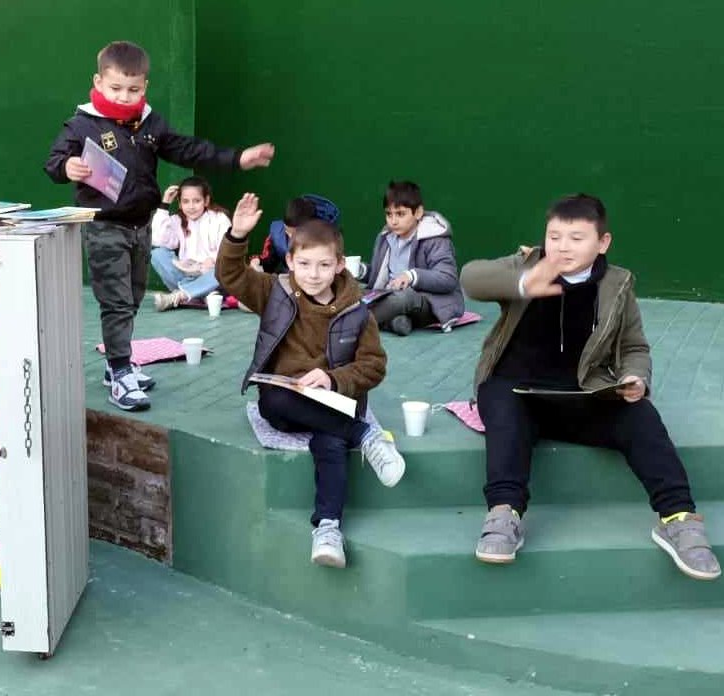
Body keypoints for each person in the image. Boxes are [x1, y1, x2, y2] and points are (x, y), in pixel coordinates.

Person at [461, 193, 719, 580]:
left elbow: (634, 347)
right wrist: (523, 282)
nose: (562, 246)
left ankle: (678, 517)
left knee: (641, 416)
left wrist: (636, 378)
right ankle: (504, 514)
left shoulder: (617, 285)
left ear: (603, 243)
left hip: (581, 396)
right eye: (555, 236)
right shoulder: (528, 265)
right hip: (518, 393)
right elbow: (470, 278)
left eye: (576, 238)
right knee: (501, 404)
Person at [44, 40, 275, 411]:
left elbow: (188, 149)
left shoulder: (149, 121)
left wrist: (237, 159)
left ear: (145, 87)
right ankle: (121, 372)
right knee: (116, 302)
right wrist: (66, 167)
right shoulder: (82, 123)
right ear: (98, 82)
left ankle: (115, 364)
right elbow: (54, 160)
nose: (124, 96)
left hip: (142, 226)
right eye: (116, 88)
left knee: (133, 298)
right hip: (104, 227)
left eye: (133, 89)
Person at [218, 193, 406, 568]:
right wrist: (236, 235)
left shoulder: (357, 311)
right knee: (273, 400)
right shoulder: (276, 291)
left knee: (330, 443)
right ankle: (365, 436)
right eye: (303, 263)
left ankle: (328, 528)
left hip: (333, 402)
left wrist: (333, 379)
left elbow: (374, 366)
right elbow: (231, 276)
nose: (313, 273)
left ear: (339, 265)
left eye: (323, 265)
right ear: (289, 261)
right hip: (286, 399)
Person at [359, 181, 463, 335]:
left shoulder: (434, 238)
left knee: (404, 298)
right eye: (389, 214)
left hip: (427, 301)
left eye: (400, 214)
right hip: (389, 295)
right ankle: (394, 323)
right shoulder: (385, 237)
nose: (393, 221)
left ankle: (350, 325)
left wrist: (412, 276)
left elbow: (448, 278)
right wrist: (361, 271)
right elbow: (378, 277)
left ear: (418, 212)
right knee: (352, 291)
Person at [149, 176, 231, 310]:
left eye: (197, 201)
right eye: (186, 202)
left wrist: (213, 262)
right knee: (157, 254)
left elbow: (228, 253)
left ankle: (180, 296)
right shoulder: (177, 220)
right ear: (180, 204)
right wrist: (164, 205)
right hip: (187, 275)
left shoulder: (220, 219)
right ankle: (198, 293)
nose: (191, 206)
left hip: (210, 275)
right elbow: (158, 240)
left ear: (206, 200)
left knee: (223, 269)